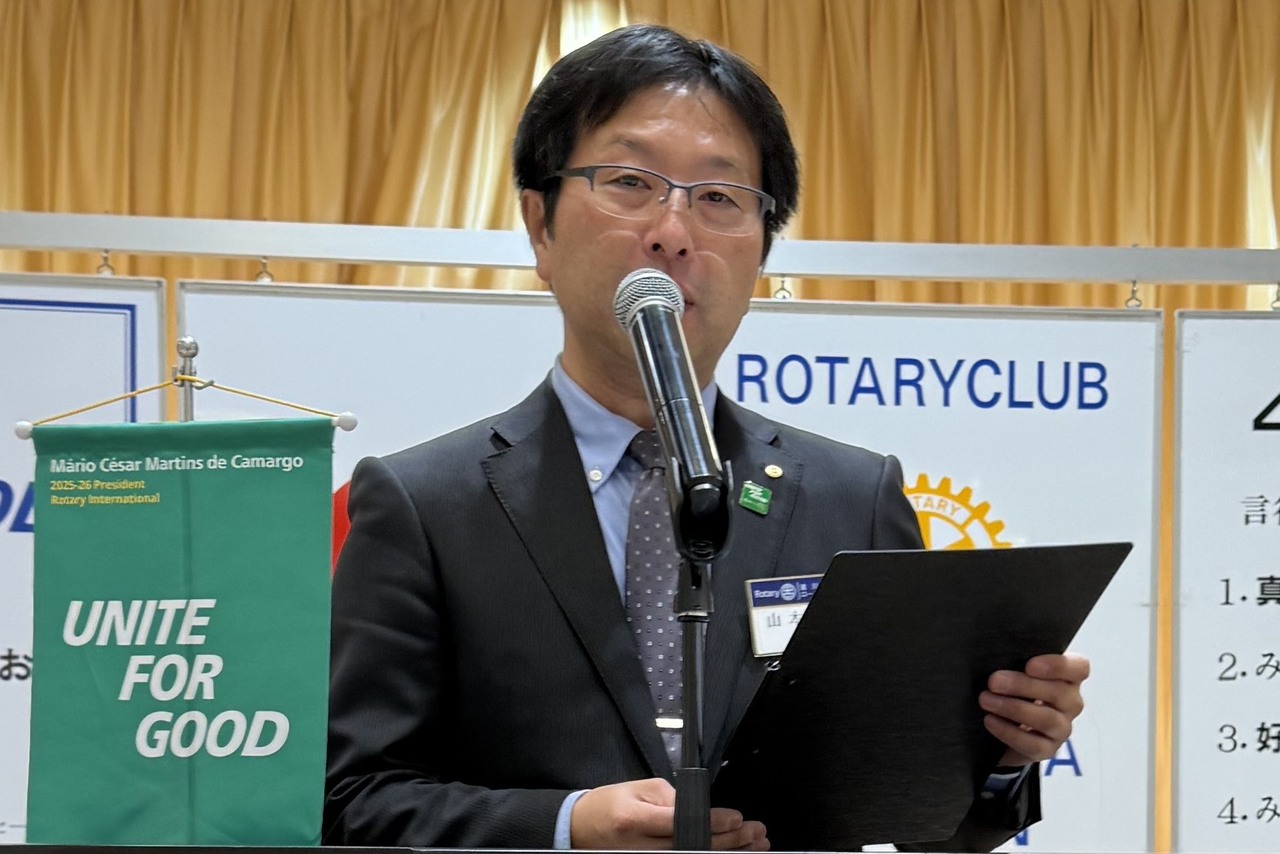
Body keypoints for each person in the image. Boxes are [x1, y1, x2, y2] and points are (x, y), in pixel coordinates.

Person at [324, 23, 1089, 851]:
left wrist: (999, 754)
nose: (673, 231)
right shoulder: (426, 506)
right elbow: (352, 801)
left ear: (763, 251)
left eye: (720, 197)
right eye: (630, 182)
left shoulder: (852, 498)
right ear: (540, 226)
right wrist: (566, 828)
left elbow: (925, 818)